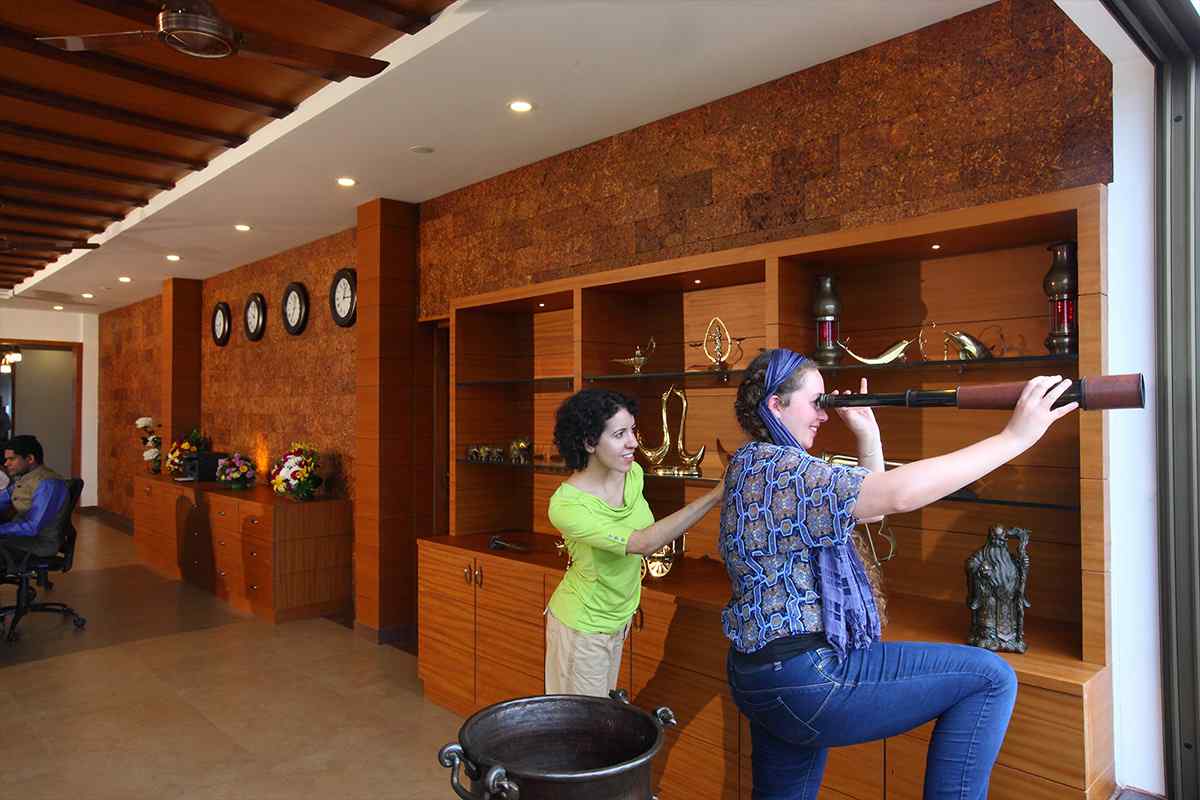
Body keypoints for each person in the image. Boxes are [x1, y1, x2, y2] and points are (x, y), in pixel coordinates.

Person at [721, 348, 1078, 800]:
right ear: (776, 404)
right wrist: (1014, 438)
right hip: (805, 677)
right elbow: (899, 494)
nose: (824, 416)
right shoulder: (786, 470)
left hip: (761, 676)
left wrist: (867, 433)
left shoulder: (752, 463)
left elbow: (869, 508)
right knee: (991, 679)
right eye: (816, 403)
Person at [545, 388, 724, 696]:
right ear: (589, 442)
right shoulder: (567, 506)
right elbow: (642, 543)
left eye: (632, 430)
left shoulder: (633, 475)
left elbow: (647, 532)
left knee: (602, 715)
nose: (634, 442)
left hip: (619, 619)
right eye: (619, 434)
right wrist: (715, 495)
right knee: (582, 721)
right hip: (583, 626)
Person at [0, 435, 70, 565]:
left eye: (11, 459)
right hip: (23, 537)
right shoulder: (25, 478)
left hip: (40, 543)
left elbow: (32, 527)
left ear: (30, 459)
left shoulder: (48, 483)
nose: (6, 464)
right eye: (6, 459)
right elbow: (4, 498)